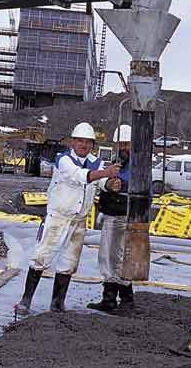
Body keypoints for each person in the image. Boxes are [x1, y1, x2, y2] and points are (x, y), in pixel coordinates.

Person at [15, 122, 120, 315]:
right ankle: (25, 300)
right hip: (58, 218)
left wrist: (110, 183)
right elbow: (79, 176)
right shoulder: (64, 160)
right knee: (41, 257)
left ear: (93, 145)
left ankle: (57, 303)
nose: (84, 145)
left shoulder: (96, 162)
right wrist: (105, 174)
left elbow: (101, 181)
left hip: (79, 221)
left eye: (88, 142)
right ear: (72, 142)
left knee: (69, 263)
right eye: (80, 141)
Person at [88, 124, 133, 313]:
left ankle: (126, 300)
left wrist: (120, 185)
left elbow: (140, 186)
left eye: (125, 144)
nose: (122, 148)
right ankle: (110, 299)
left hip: (125, 215)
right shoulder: (117, 162)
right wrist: (108, 183)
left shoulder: (138, 165)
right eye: (119, 144)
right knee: (107, 256)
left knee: (121, 257)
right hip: (112, 213)